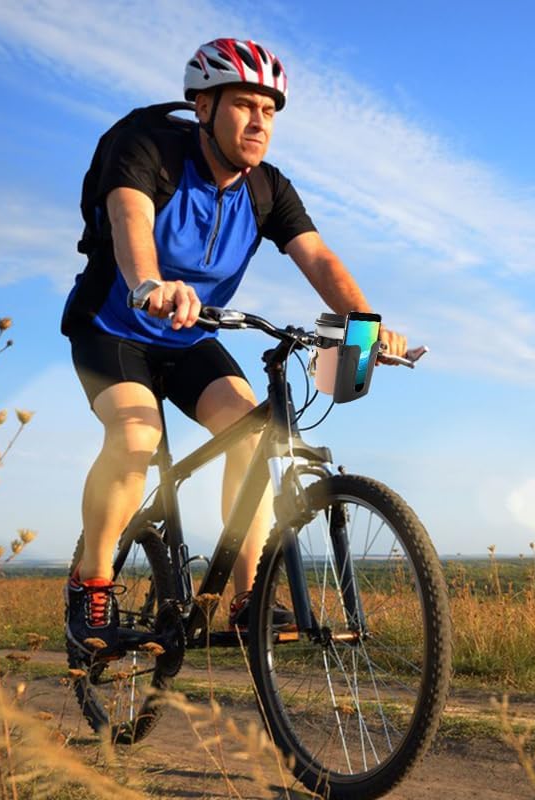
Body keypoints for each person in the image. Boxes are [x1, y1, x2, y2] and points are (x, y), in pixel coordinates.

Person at [62, 37, 407, 655]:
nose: (258, 121)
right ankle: (92, 581)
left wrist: (365, 323)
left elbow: (319, 257)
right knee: (136, 437)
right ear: (203, 107)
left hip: (189, 337)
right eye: (244, 105)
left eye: (269, 110)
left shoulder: (267, 189)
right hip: (112, 329)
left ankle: (247, 597)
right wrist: (148, 284)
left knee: (253, 430)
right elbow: (129, 220)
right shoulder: (149, 152)